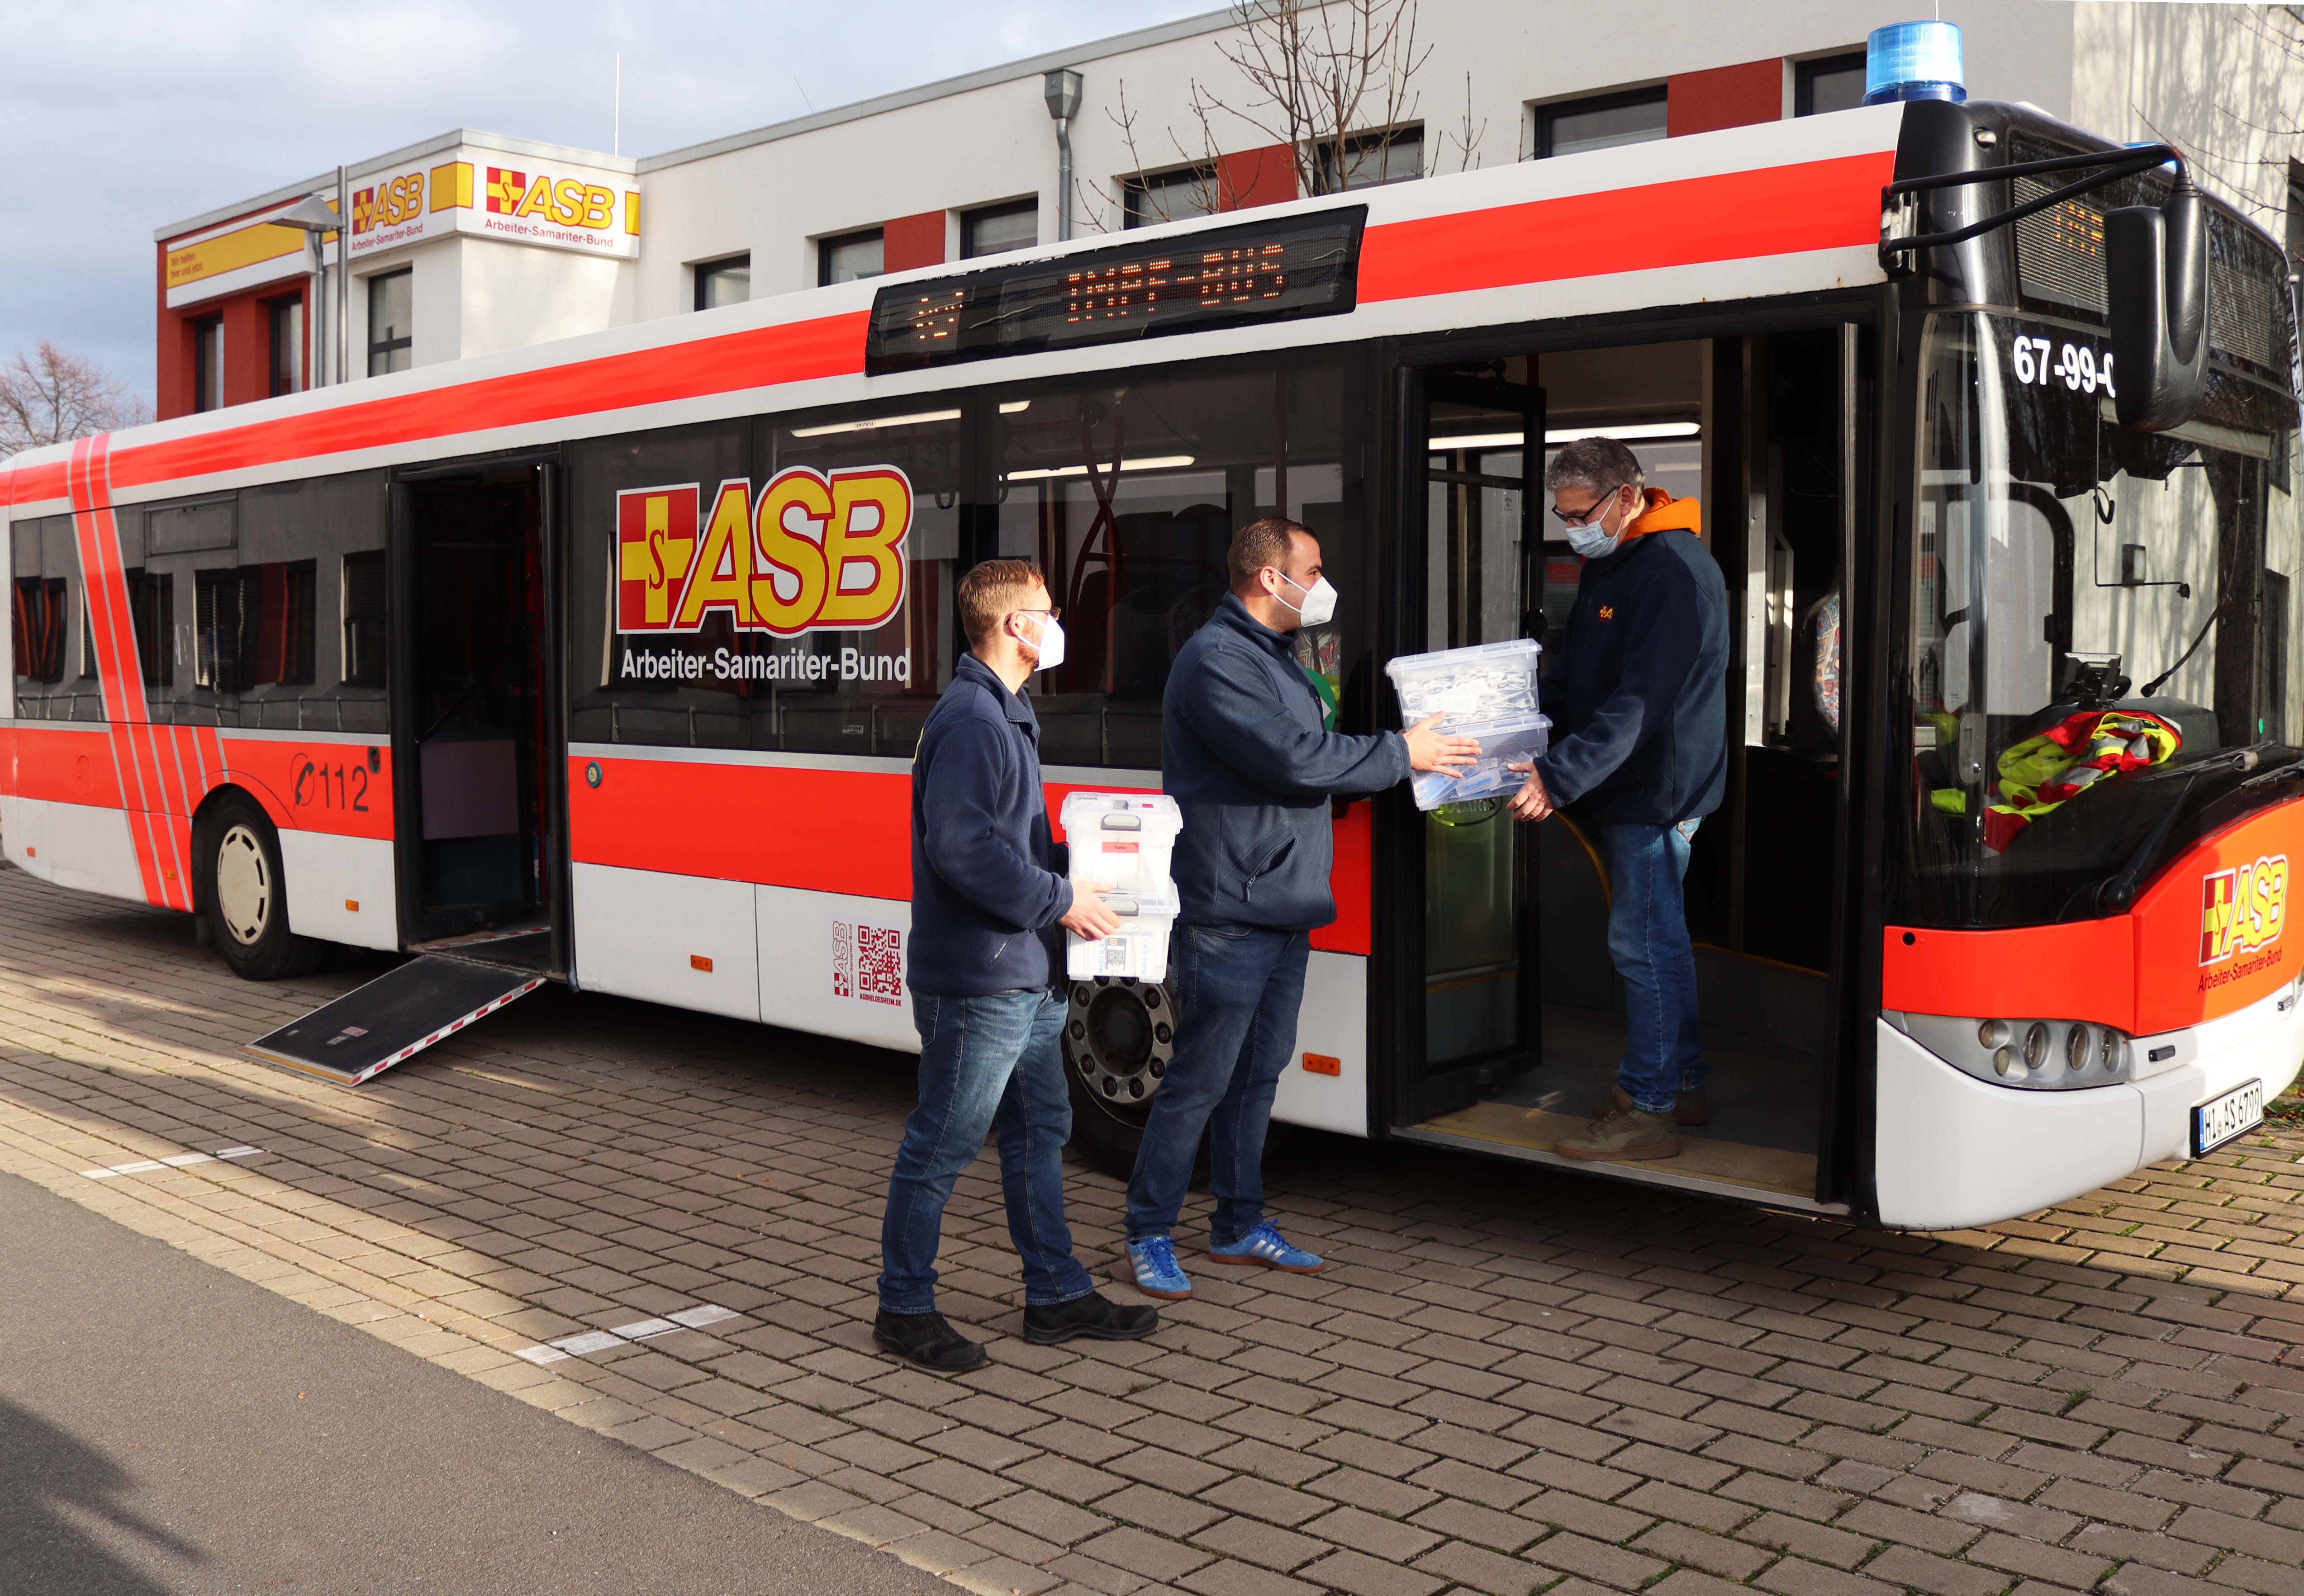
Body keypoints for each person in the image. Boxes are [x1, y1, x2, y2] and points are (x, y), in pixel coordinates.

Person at [1125, 518, 1480, 1300]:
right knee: (1200, 1079)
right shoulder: (1219, 660)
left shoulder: (1269, 656)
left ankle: (1237, 1223)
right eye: (1312, 569)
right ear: (1266, 579)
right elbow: (1292, 759)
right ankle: (1148, 1231)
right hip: (1230, 908)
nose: (1322, 584)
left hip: (1279, 900)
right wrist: (1399, 753)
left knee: (1257, 1076)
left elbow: (1304, 756)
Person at [878, 558, 1161, 1371]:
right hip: (979, 980)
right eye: (1047, 608)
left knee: (1040, 1132)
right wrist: (1059, 897)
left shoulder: (1003, 711)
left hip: (1022, 972)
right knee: (942, 1144)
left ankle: (1056, 1293)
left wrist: (1080, 864)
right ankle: (903, 1307)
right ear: (1013, 625)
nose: (1058, 619)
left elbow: (1000, 843)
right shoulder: (973, 718)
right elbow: (962, 850)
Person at [1506, 436, 1728, 1163]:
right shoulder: (1616, 562)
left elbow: (1638, 702)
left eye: (1582, 513)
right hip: (1631, 784)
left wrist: (1557, 776)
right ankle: (1682, 1080)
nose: (1574, 528)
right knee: (1659, 939)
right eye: (1563, 514)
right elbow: (1577, 676)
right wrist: (1512, 729)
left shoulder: (1669, 571)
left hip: (1655, 792)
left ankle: (1650, 1107)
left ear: (1628, 495)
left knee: (1642, 947)